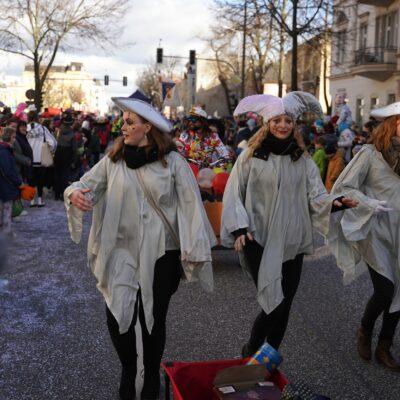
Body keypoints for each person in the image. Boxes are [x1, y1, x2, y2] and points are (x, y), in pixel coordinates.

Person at [64, 97, 216, 400]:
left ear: (148, 127)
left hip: (162, 255)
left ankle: (149, 377)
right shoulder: (113, 161)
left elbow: (191, 208)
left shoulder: (173, 163)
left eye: (130, 122)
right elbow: (83, 184)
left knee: (151, 320)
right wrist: (74, 194)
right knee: (116, 314)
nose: (123, 126)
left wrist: (194, 249)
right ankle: (130, 367)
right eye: (123, 121)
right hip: (120, 251)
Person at [221, 93, 357, 355]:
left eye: (288, 121)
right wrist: (239, 227)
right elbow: (233, 192)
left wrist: (335, 203)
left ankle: (267, 359)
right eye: (277, 120)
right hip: (258, 238)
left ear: (294, 125)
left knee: (286, 303)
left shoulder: (301, 159)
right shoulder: (251, 156)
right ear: (267, 123)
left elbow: (316, 194)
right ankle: (250, 351)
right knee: (274, 302)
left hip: (293, 240)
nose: (282, 125)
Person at [328, 101, 400, 371]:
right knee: (386, 290)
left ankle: (385, 346)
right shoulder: (370, 153)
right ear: (391, 124)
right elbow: (344, 187)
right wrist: (368, 203)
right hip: (375, 229)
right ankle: (365, 329)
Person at [26, 110, 57, 207]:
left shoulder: (25, 128)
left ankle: (31, 200)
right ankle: (40, 200)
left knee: (30, 180)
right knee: (40, 180)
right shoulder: (42, 128)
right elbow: (53, 143)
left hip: (28, 159)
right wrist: (50, 151)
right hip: (41, 158)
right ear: (36, 117)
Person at [0, 128, 22, 235]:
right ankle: (5, 237)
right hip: (5, 187)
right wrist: (18, 182)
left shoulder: (4, 150)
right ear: (8, 137)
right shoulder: (4, 151)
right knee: (6, 214)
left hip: (4, 187)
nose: (14, 140)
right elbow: (8, 171)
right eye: (13, 137)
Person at [54, 111, 77, 200]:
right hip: (67, 154)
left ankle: (56, 194)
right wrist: (74, 159)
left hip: (58, 153)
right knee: (65, 174)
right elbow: (74, 148)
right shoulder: (72, 133)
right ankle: (63, 193)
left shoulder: (57, 131)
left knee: (57, 173)